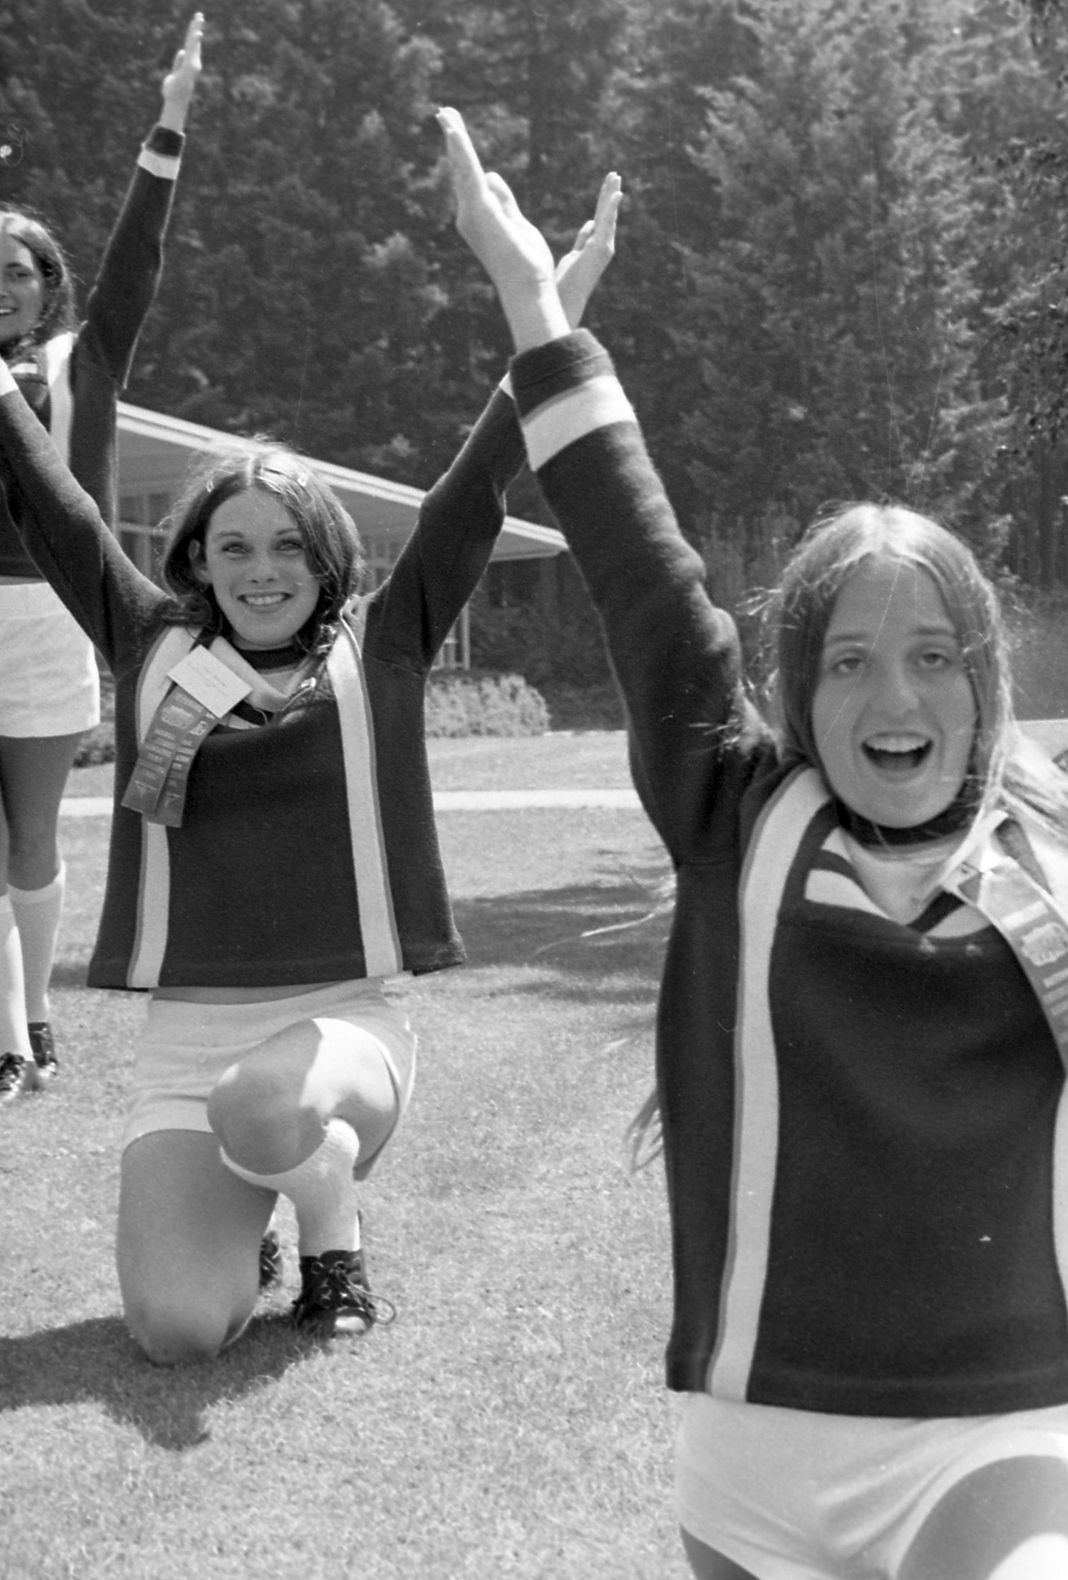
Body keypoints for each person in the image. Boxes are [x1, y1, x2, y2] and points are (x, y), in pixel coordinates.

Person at [439, 107, 1068, 1578]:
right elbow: (641, 568)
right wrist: (534, 309)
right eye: (850, 661)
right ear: (797, 687)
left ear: (984, 678)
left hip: (993, 1448)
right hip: (749, 1479)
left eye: (934, 657)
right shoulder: (734, 815)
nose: (895, 698)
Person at [0, 154, 620, 1358]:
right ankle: (253, 1228)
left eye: (289, 545)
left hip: (343, 1030)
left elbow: (475, 488)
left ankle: (331, 1233)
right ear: (197, 558)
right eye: (234, 546)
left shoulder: (383, 642)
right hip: (187, 1040)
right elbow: (51, 498)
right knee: (178, 1329)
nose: (262, 568)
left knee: (266, 1104)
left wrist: (550, 312)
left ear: (327, 555)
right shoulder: (147, 638)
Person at [0, 14, 205, 1104]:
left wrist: (168, 124)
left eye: (17, 271)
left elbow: (137, 264)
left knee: (30, 840)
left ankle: (34, 1015)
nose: (2, 285)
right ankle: (11, 1042)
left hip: (50, 624)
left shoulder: (83, 363)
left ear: (49, 285)